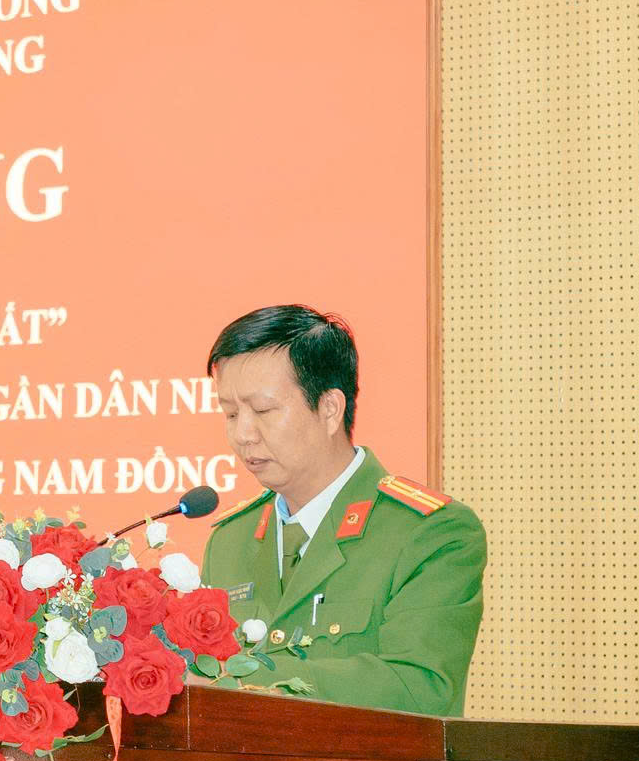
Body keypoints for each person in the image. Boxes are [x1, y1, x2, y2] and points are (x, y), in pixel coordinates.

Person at [197, 305, 482, 715]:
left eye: (262, 411)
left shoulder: (430, 533)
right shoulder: (229, 540)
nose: (242, 434)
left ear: (330, 408)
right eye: (230, 413)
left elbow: (420, 689)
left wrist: (237, 681)